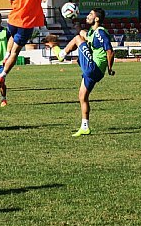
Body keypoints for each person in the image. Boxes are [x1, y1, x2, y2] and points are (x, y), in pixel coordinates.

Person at [45, 8, 115, 137]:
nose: (87, 16)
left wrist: (110, 68)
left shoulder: (100, 32)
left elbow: (109, 51)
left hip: (94, 67)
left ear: (97, 19)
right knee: (82, 97)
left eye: (90, 14)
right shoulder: (93, 32)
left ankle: (60, 54)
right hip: (94, 71)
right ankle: (85, 127)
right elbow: (82, 32)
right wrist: (73, 20)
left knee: (78, 39)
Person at [0, 0, 45, 90]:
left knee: (12, 36)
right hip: (26, 24)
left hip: (13, 20)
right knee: (16, 52)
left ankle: (6, 56)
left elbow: (12, 1)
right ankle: (3, 75)